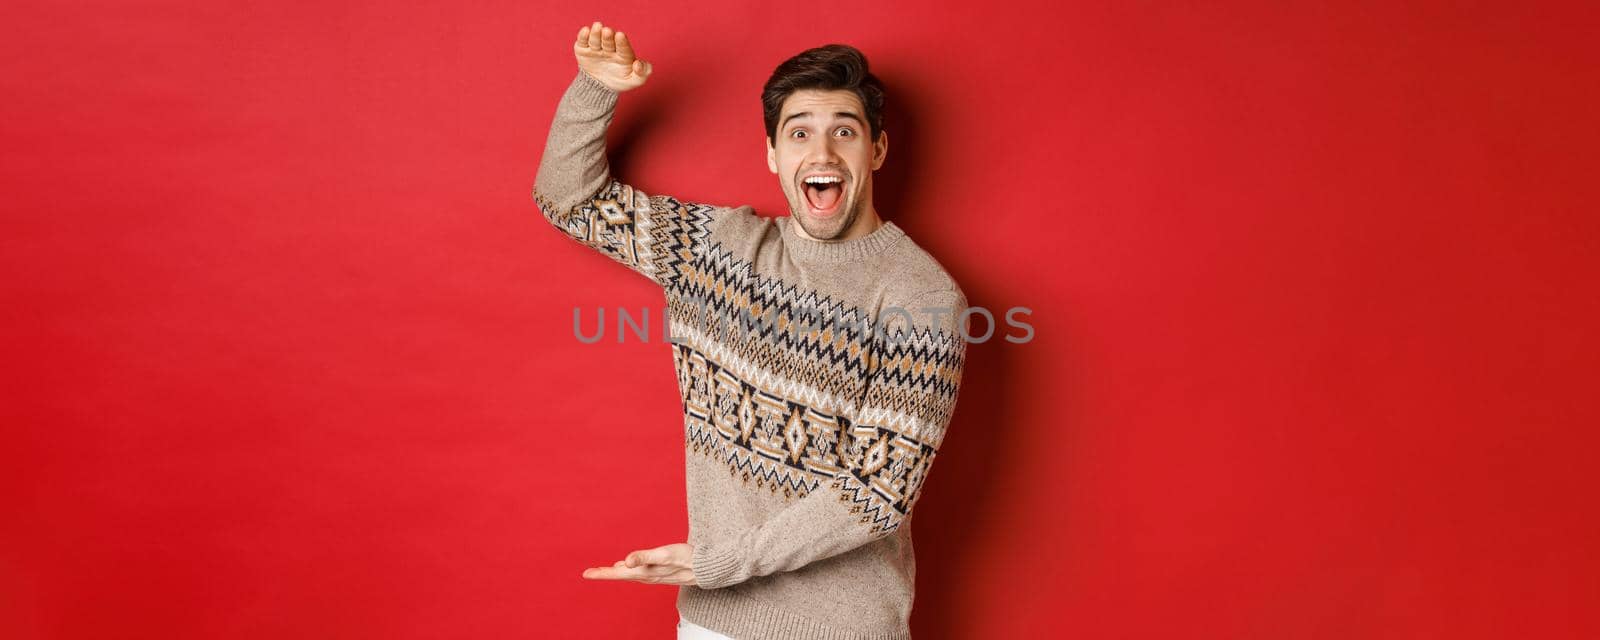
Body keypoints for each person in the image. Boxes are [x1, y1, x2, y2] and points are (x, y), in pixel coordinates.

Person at [536, 20, 969, 640]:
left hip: (842, 630)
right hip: (712, 625)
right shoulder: (716, 251)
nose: (821, 154)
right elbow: (566, 199)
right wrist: (594, 90)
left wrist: (720, 564)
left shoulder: (921, 298)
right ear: (773, 155)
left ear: (876, 151)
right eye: (799, 134)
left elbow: (877, 494)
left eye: (843, 132)